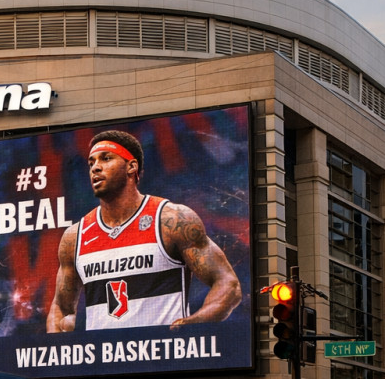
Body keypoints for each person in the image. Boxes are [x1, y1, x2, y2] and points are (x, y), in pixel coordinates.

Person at [46, 130, 242, 332]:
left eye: (106, 159)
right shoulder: (75, 236)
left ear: (131, 167)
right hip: (102, 360)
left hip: (163, 359)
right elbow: (61, 308)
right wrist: (59, 349)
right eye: (91, 163)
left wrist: (195, 323)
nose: (96, 167)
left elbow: (228, 284)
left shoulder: (171, 219)